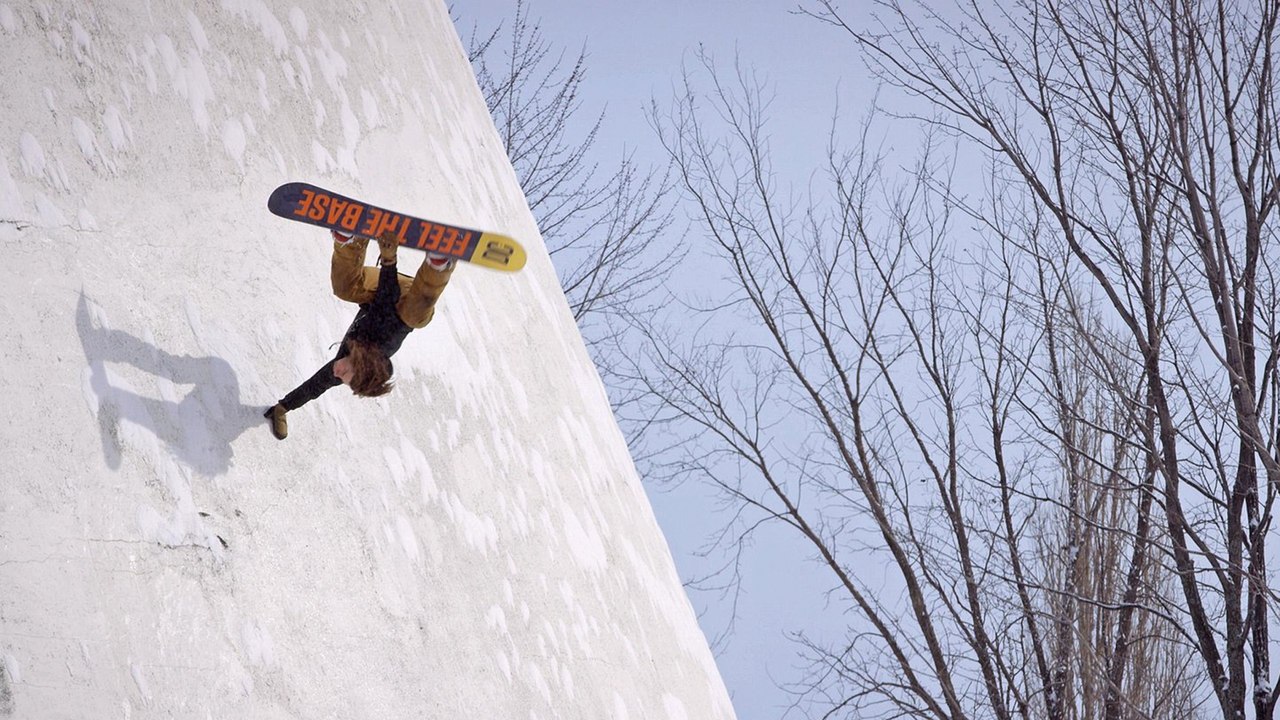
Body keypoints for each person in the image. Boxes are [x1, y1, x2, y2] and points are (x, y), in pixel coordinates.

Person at [263, 230, 455, 439]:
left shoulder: (345, 363)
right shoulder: (382, 340)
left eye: (342, 378)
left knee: (345, 288)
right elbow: (387, 297)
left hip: (379, 300)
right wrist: (389, 258)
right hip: (405, 297)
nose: (338, 373)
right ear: (361, 362)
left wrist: (282, 408)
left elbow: (316, 386)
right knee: (415, 317)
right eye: (345, 373)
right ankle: (438, 267)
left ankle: (350, 240)